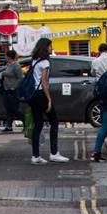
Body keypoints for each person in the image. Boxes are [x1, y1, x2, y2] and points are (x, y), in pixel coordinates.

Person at [28, 37, 68, 165]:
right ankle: (54, 153)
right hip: (41, 94)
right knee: (54, 121)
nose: (52, 48)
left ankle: (35, 155)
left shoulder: (34, 60)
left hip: (33, 95)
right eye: (50, 46)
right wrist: (49, 99)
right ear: (45, 48)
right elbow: (44, 83)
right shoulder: (45, 62)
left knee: (38, 124)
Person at [0, 48, 25, 132]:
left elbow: (20, 78)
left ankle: (26, 122)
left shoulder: (16, 65)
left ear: (9, 57)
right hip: (6, 89)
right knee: (8, 109)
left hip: (13, 90)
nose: (5, 57)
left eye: (6, 56)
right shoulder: (8, 65)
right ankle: (9, 126)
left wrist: (14, 87)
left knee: (15, 109)